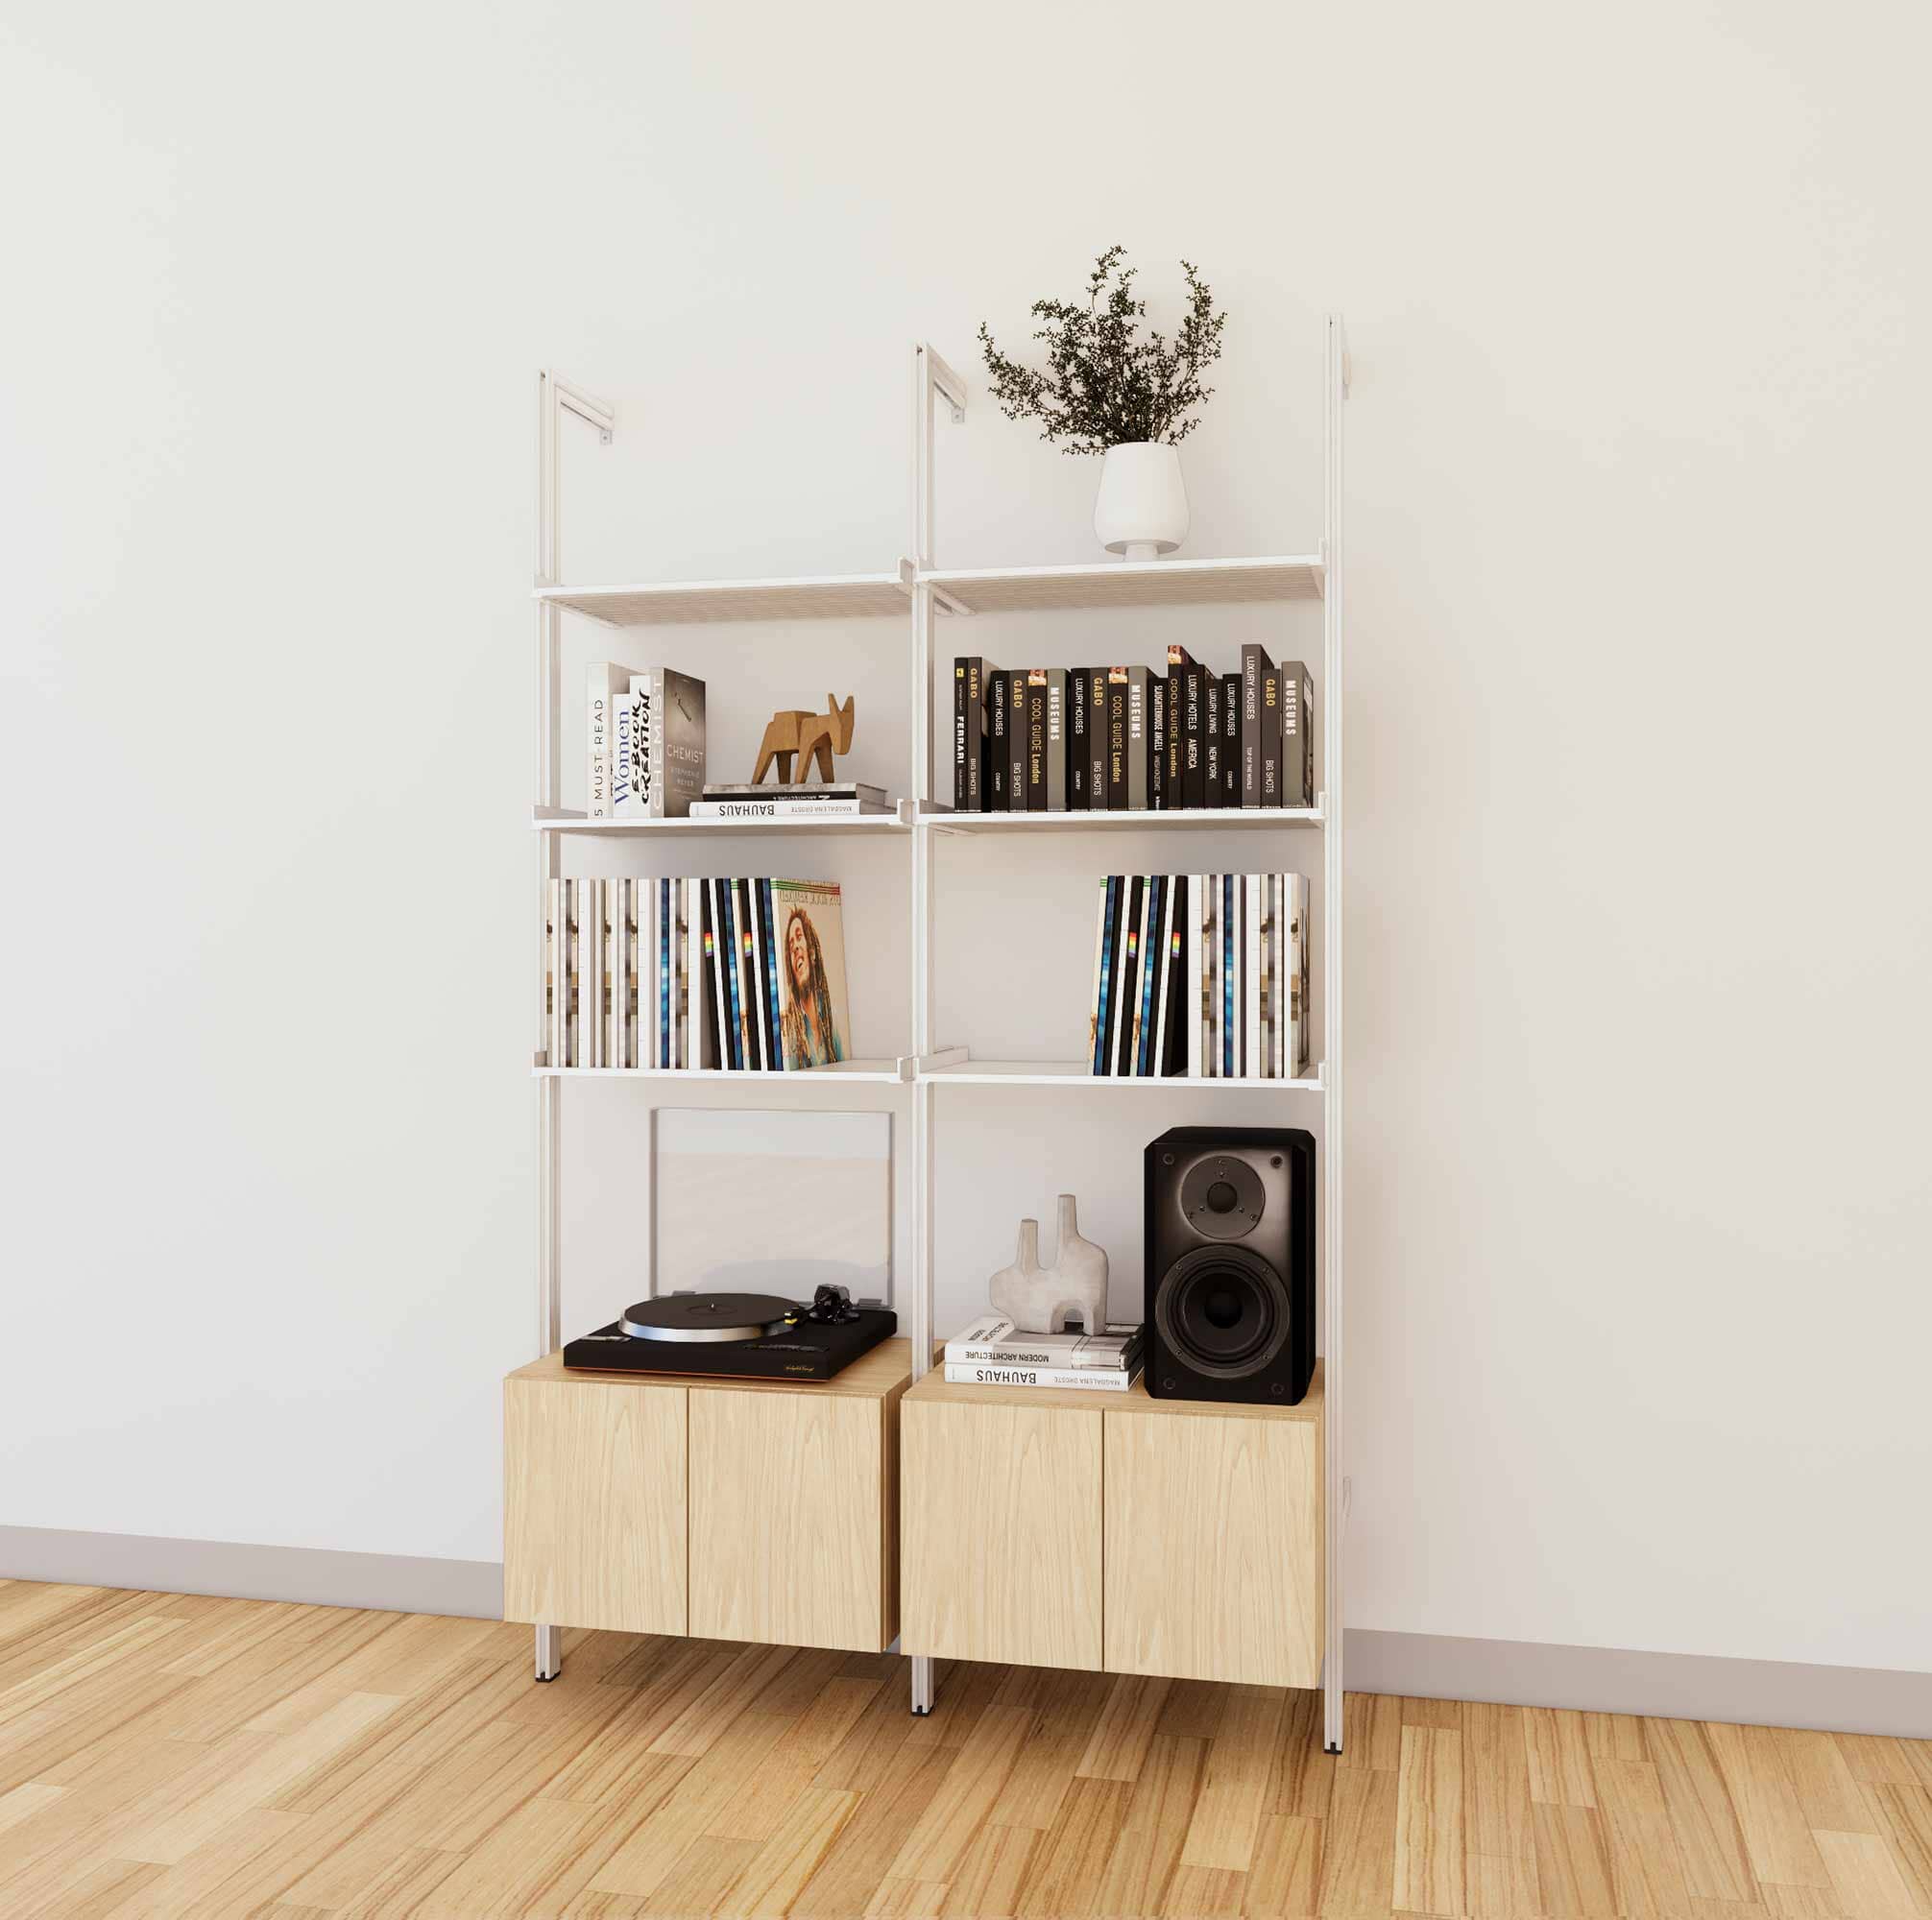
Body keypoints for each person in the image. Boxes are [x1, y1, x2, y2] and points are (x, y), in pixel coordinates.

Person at [779, 906, 844, 1068]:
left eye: (799, 937)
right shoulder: (789, 1030)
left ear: (812, 953)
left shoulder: (831, 1017)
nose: (795, 947)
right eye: (790, 945)